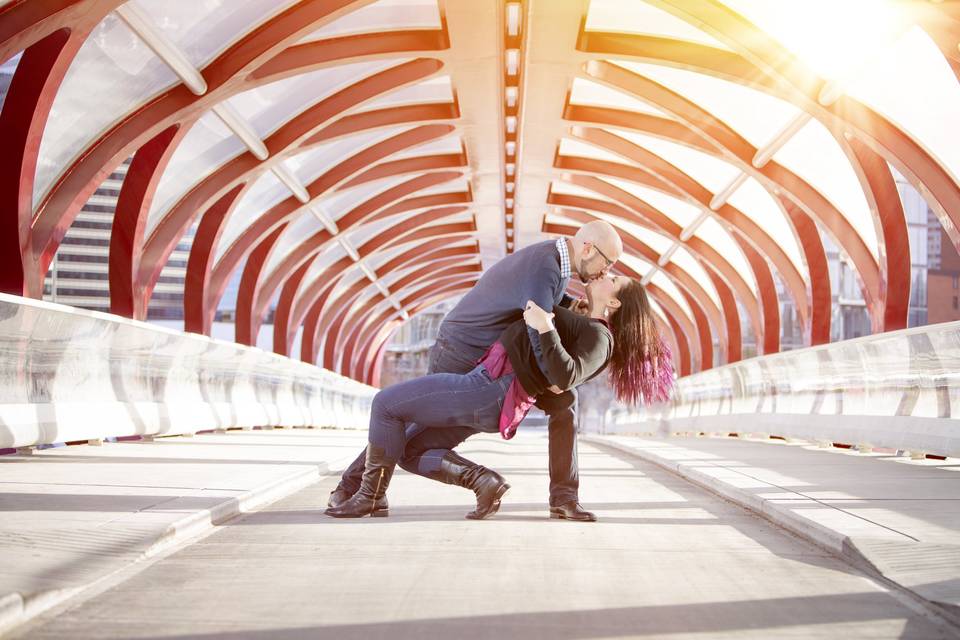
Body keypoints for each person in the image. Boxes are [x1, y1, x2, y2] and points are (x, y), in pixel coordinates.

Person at [328, 221, 625, 522]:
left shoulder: (556, 265)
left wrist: (569, 308)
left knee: (566, 404)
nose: (606, 270)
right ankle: (355, 488)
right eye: (608, 261)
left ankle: (563, 497)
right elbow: (538, 334)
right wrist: (555, 379)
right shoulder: (546, 266)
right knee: (409, 422)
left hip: (483, 355)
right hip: (463, 350)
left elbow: (537, 299)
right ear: (588, 248)